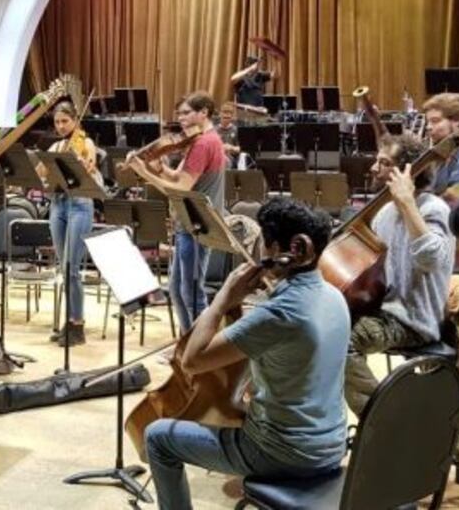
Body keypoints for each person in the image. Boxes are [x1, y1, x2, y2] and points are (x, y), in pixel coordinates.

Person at [144, 198, 348, 510]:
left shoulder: (280, 313)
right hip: (331, 446)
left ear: (282, 249)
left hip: (285, 453)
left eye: (263, 243)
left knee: (158, 437)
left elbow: (192, 361)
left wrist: (224, 298)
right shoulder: (334, 297)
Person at [344, 133, 453, 416]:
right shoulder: (384, 212)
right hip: (385, 312)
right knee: (327, 330)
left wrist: (407, 203)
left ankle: (387, 419)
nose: (373, 168)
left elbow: (431, 259)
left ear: (407, 171)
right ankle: (388, 420)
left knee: (342, 342)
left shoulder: (432, 208)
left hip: (413, 319)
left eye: (383, 162)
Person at [125, 91, 227, 333]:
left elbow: (181, 188)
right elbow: (177, 177)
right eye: (179, 113)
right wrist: (160, 168)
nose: (180, 119)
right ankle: (185, 341)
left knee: (191, 291)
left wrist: (143, 171)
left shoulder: (204, 143)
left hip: (197, 224)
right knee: (177, 289)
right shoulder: (201, 140)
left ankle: (199, 348)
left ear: (204, 113)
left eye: (186, 113)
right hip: (188, 222)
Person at [40, 101, 99, 347]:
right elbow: (41, 173)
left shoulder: (85, 142)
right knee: (64, 269)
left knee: (72, 268)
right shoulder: (55, 146)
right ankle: (69, 322)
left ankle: (77, 324)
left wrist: (81, 163)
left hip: (79, 205)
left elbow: (89, 165)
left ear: (75, 120)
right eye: (57, 122)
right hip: (58, 205)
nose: (61, 126)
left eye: (65, 121)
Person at [423, 92, 459, 194]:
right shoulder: (446, 153)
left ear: (457, 121)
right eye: (428, 122)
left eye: (435, 121)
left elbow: (454, 202)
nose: (428, 127)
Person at [216, 101, 241, 165]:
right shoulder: (214, 130)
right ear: (220, 114)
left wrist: (231, 147)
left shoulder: (236, 130)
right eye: (224, 117)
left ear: (232, 116)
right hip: (216, 157)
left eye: (228, 117)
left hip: (231, 158)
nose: (226, 118)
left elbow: (240, 148)